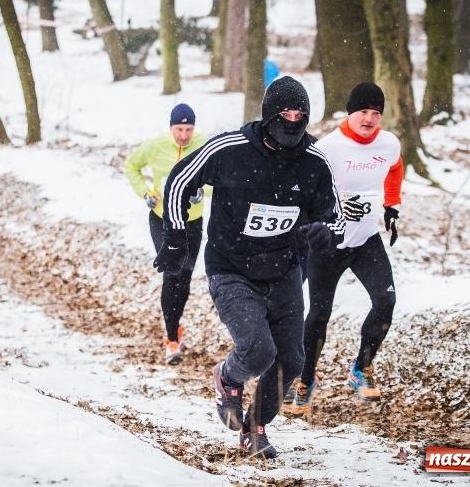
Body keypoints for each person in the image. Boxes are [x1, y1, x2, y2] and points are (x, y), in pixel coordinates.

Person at [157, 76, 345, 459]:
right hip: (231, 267)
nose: (293, 121)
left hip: (285, 269)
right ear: (269, 115)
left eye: (301, 115)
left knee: (292, 358)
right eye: (286, 113)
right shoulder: (232, 149)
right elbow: (179, 180)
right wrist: (175, 237)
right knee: (258, 350)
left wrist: (326, 232)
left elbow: (336, 216)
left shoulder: (314, 160)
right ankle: (227, 378)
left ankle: (254, 428)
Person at [289, 82, 403, 415]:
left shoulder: (388, 143)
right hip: (329, 244)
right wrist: (336, 208)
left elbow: (394, 169)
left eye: (376, 113)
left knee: (386, 300)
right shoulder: (328, 148)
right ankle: (306, 380)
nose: (369, 119)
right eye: (363, 112)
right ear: (350, 112)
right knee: (319, 314)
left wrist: (391, 206)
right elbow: (306, 194)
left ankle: (361, 368)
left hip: (366, 239)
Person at [124, 103, 207, 365]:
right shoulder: (155, 145)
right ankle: (171, 339)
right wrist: (146, 193)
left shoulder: (204, 146)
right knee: (172, 271)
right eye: (179, 129)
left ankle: (175, 325)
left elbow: (219, 179)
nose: (184, 135)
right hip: (163, 219)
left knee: (185, 276)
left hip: (192, 220)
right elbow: (131, 166)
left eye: (188, 129)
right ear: (171, 127)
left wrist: (203, 191)